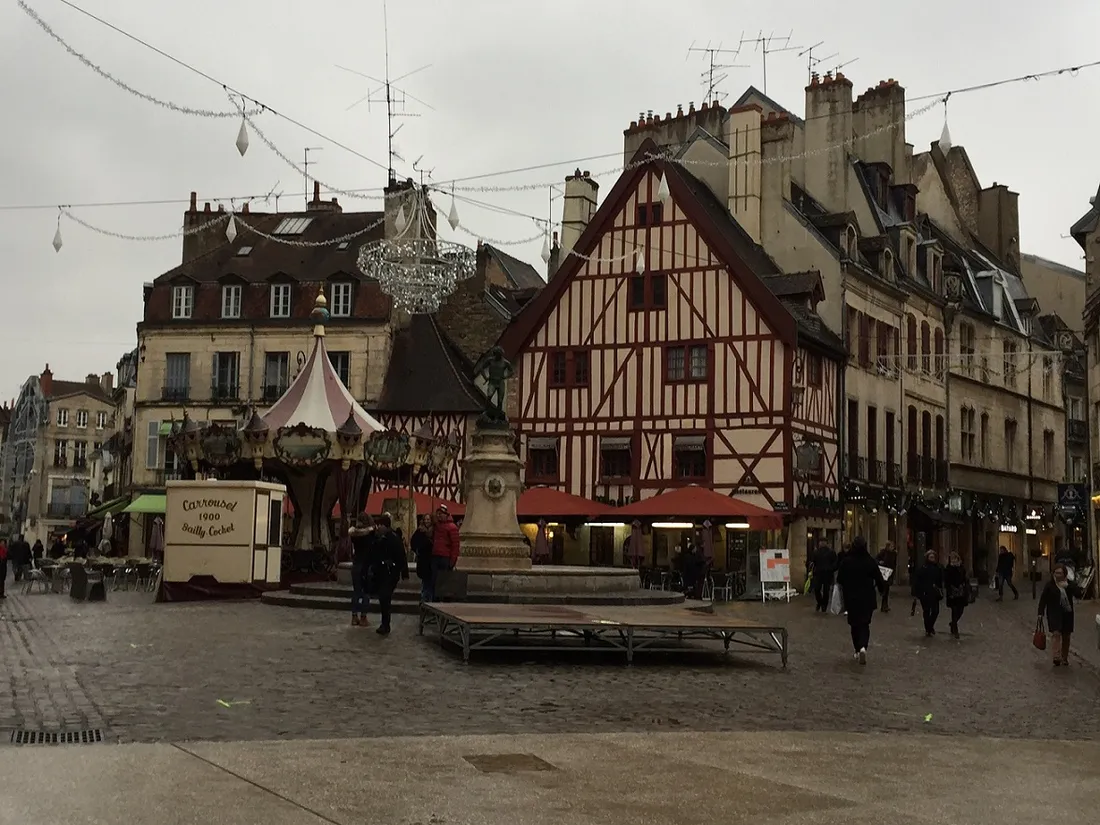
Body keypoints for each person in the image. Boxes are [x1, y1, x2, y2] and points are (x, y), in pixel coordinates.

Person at [835, 536, 885, 664]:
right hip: (867, 597)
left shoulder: (847, 562)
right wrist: (882, 590)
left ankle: (858, 649)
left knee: (854, 624)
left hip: (851, 597)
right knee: (864, 624)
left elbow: (840, 579)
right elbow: (879, 578)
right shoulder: (870, 561)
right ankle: (863, 647)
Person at [367, 514, 410, 635]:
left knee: (385, 596)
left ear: (385, 526)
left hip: (391, 572)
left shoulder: (393, 538)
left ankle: (385, 624)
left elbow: (401, 556)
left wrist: (404, 573)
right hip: (381, 572)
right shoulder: (378, 538)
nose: (378, 527)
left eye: (380, 525)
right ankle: (385, 623)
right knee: (383, 598)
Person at [1038, 563, 1084, 666]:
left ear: (1064, 574)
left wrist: (1069, 586)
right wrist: (1040, 613)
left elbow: (1079, 594)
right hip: (1054, 613)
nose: (1058, 575)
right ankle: (1056, 656)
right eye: (1056, 573)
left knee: (1066, 636)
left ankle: (1064, 657)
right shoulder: (1050, 585)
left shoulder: (1069, 584)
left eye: (1060, 573)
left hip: (1067, 614)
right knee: (1056, 634)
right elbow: (1043, 599)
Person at [348, 515, 375, 627]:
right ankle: (363, 617)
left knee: (356, 592)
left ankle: (354, 616)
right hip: (367, 566)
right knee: (366, 593)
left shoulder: (354, 535)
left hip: (356, 565)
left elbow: (351, 531)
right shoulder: (370, 534)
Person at [429, 504, 461, 599]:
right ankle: (435, 599)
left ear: (446, 515)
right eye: (438, 513)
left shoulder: (452, 527)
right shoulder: (437, 526)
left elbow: (455, 545)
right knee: (434, 580)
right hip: (436, 556)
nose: (439, 515)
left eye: (441, 513)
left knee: (443, 581)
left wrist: (452, 561)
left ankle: (442, 599)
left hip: (445, 557)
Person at [914, 550, 945, 637]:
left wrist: (940, 589)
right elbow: (917, 581)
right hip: (925, 593)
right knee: (926, 611)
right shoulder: (923, 568)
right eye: (931, 557)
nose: (932, 558)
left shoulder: (938, 568)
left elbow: (940, 580)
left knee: (935, 611)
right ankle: (928, 628)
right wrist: (917, 593)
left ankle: (930, 626)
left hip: (934, 593)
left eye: (933, 557)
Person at [943, 551, 969, 639]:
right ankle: (955, 629)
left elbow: (964, 578)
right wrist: (949, 590)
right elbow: (946, 581)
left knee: (960, 610)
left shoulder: (961, 568)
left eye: (955, 558)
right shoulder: (948, 568)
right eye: (952, 559)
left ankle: (953, 623)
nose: (954, 560)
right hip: (952, 592)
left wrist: (965, 586)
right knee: (954, 610)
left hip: (961, 591)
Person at [411, 514, 434, 602]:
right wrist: (417, 551)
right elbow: (413, 542)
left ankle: (429, 599)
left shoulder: (435, 531)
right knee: (425, 580)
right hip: (423, 559)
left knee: (431, 581)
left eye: (428, 519)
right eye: (425, 519)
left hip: (433, 559)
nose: (427, 521)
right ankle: (424, 599)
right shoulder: (419, 531)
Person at [811, 542, 838, 613]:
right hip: (819, 573)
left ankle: (824, 605)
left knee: (826, 590)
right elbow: (813, 562)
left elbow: (835, 563)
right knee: (817, 589)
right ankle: (820, 602)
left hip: (827, 573)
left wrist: (831, 569)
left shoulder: (831, 552)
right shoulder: (816, 552)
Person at [875, 540, 898, 613]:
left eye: (893, 546)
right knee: (885, 589)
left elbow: (894, 563)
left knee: (887, 589)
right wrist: (880, 562)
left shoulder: (894, 554)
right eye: (891, 546)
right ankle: (884, 605)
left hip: (890, 572)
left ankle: (885, 605)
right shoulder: (883, 552)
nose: (892, 547)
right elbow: (877, 559)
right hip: (884, 572)